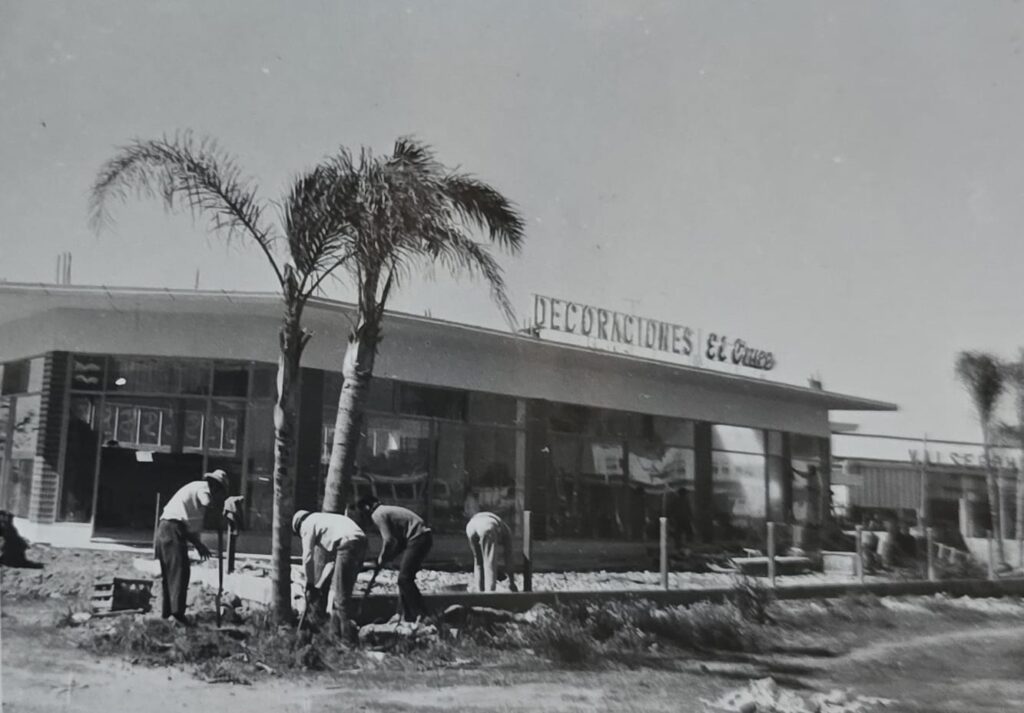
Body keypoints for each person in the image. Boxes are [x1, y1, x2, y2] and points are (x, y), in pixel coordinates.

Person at [154, 470, 228, 625]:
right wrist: (222, 512)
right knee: (179, 571)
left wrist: (199, 545)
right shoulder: (203, 489)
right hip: (170, 528)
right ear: (215, 486)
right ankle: (177, 615)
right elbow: (208, 504)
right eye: (219, 491)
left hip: (169, 528)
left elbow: (185, 528)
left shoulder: (197, 493)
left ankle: (167, 614)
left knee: (172, 572)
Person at [292, 509, 367, 641]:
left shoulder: (307, 524)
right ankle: (336, 635)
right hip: (360, 541)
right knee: (344, 594)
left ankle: (345, 642)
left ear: (299, 525)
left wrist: (309, 585)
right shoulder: (325, 522)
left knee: (340, 598)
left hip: (348, 544)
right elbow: (332, 564)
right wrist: (318, 585)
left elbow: (308, 557)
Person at [355, 496, 432, 622]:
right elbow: (399, 542)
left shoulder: (377, 514)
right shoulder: (385, 511)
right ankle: (405, 615)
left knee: (404, 578)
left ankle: (423, 615)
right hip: (421, 538)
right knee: (403, 579)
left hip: (419, 538)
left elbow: (389, 540)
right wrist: (388, 557)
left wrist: (382, 557)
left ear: (366, 508)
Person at [465, 511, 518, 592]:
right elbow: (509, 558)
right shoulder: (507, 532)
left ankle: (479, 592)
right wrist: (512, 583)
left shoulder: (500, 525)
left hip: (471, 526)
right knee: (490, 562)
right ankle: (490, 593)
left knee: (478, 562)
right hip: (487, 526)